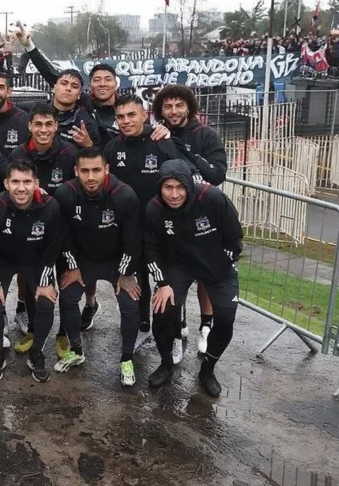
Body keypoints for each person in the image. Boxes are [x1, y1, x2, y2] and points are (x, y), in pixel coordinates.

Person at [144, 160, 243, 397]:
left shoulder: (213, 198)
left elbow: (235, 238)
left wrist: (222, 266)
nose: (175, 194)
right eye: (168, 187)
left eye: (180, 187)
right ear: (160, 187)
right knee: (162, 311)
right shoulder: (154, 208)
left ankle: (207, 370)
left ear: (189, 185)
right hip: (178, 266)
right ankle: (166, 363)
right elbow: (150, 249)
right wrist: (162, 283)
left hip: (216, 265)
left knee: (226, 318)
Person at [104, 94, 187, 357]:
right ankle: (143, 327)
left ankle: (174, 333)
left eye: (131, 115)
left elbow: (180, 183)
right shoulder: (112, 147)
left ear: (144, 115)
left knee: (169, 282)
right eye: (120, 117)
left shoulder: (161, 141)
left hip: (163, 229)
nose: (126, 121)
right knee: (137, 281)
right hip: (129, 231)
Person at [55, 147, 142, 385]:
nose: (91, 177)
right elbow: (63, 237)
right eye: (85, 171)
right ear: (76, 171)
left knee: (130, 302)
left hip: (117, 261)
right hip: (84, 260)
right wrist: (72, 266)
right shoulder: (65, 193)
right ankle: (76, 350)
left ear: (106, 169)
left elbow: (133, 240)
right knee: (67, 297)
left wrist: (125, 273)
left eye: (96, 170)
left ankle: (126, 359)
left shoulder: (125, 195)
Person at [152, 84, 228, 354]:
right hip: (170, 217)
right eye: (168, 106)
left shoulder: (205, 134)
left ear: (189, 107)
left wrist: (179, 146)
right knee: (175, 272)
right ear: (161, 109)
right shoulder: (157, 134)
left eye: (179, 105)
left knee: (205, 275)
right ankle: (178, 324)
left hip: (205, 216)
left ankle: (205, 326)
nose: (173, 111)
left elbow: (216, 175)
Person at [0, 160, 61, 383]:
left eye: (27, 182)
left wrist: (45, 282)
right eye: (15, 182)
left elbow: (53, 248)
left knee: (46, 302)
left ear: (36, 183)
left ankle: (37, 354)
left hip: (35, 261)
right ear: (6, 183)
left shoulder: (50, 206)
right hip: (3, 261)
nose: (21, 188)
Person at [7, 101, 78, 357]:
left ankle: (63, 335)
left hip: (65, 229)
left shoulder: (70, 153)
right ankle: (34, 331)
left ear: (57, 126)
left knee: (65, 283)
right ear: (30, 125)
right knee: (33, 282)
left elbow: (77, 191)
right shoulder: (18, 154)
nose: (43, 129)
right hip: (32, 231)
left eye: (49, 124)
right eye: (38, 124)